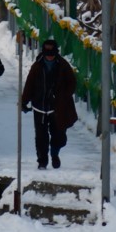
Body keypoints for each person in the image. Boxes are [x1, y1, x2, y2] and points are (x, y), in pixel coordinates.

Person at [21, 39, 78, 169]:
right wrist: (24, 101)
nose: (50, 56)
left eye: (52, 54)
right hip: (39, 106)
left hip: (57, 108)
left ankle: (54, 153)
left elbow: (72, 83)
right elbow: (29, 84)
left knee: (59, 135)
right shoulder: (37, 66)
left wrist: (63, 96)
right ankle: (42, 161)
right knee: (41, 137)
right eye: (47, 54)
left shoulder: (63, 65)